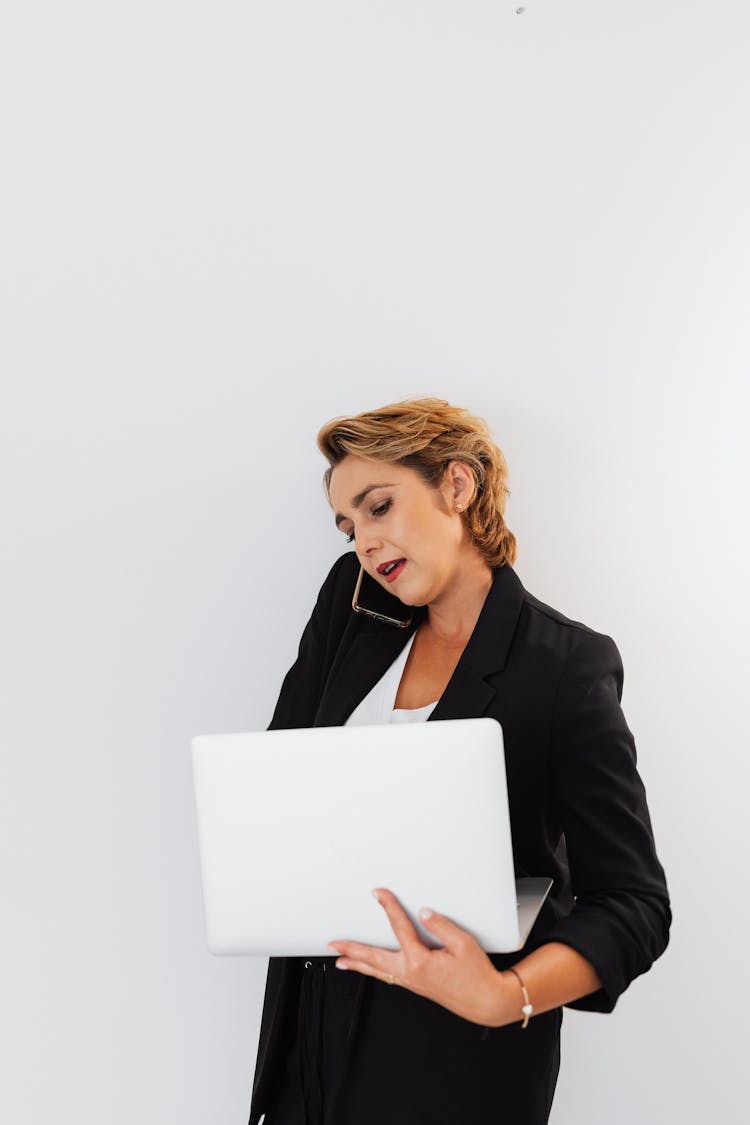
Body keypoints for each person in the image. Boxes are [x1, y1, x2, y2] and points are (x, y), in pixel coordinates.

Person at [248, 397, 671, 1125]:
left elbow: (634, 904)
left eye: (379, 506)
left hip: (455, 1060)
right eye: (350, 526)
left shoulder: (565, 666)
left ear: (458, 485)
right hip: (310, 1044)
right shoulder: (349, 610)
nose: (365, 544)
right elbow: (280, 777)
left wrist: (508, 996)